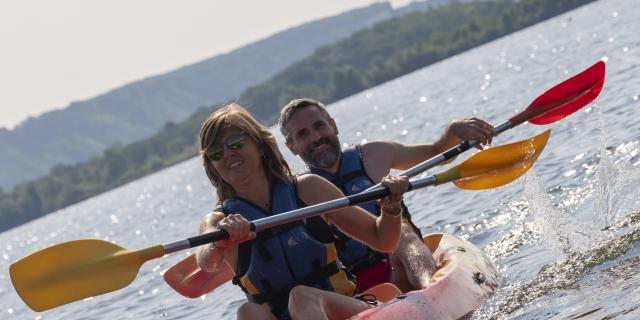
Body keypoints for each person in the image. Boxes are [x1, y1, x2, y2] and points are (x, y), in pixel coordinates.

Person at [195, 103, 409, 320]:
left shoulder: (309, 189)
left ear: (259, 145)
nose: (228, 154)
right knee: (247, 312)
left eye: (236, 142)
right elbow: (206, 260)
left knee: (301, 297)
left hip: (348, 310)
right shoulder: (219, 220)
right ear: (212, 166)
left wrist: (391, 208)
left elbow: (384, 240)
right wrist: (219, 241)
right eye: (216, 152)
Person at [278, 98, 495, 292]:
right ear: (292, 147)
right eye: (303, 134)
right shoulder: (297, 192)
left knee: (401, 230)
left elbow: (436, 152)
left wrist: (453, 130)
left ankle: (432, 289)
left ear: (333, 126)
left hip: (403, 263)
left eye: (319, 126)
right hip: (355, 287)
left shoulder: (373, 153)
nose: (316, 137)